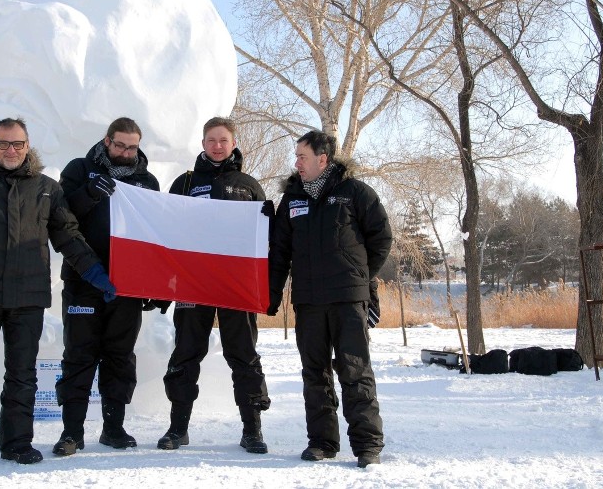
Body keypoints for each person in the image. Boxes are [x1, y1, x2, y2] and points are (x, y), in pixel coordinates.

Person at [0, 117, 115, 475]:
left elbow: (68, 236)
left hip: (27, 298)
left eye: (17, 144)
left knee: (23, 375)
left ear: (28, 146)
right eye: (3, 143)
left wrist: (95, 274)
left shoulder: (46, 188)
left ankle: (17, 443)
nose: (10, 150)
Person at [268, 130, 392, 468]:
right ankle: (322, 442)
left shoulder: (355, 192)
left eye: (302, 157)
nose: (297, 163)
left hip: (348, 300)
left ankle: (367, 446)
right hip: (308, 301)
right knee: (315, 373)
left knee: (354, 370)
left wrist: (361, 278)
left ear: (323, 159)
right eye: (296, 156)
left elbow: (381, 238)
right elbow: (279, 252)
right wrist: (272, 293)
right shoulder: (292, 199)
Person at [158, 117, 271, 454]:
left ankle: (252, 430)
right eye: (211, 140)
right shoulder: (185, 183)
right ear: (203, 143)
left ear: (233, 143)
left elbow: (264, 241)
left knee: (244, 355)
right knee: (185, 354)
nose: (217, 146)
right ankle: (178, 428)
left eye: (223, 140)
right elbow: (166, 231)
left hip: (236, 287)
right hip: (193, 285)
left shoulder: (249, 185)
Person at [53, 117, 161, 456]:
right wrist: (88, 193)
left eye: (132, 147)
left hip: (127, 287)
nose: (126, 152)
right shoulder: (78, 169)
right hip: (83, 281)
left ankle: (113, 428)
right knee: (79, 356)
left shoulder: (148, 181)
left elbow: (155, 234)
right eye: (120, 145)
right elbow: (59, 218)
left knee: (119, 357)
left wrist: (154, 282)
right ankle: (72, 433)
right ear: (106, 141)